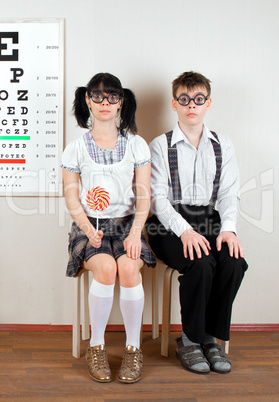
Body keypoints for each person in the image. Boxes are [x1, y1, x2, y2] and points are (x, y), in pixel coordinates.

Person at [146, 71, 248, 375]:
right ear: (175, 104)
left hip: (209, 218)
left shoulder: (222, 144)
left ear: (208, 103)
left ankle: (208, 337)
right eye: (185, 99)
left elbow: (230, 192)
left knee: (233, 262)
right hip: (167, 224)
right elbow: (157, 199)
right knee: (200, 262)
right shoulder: (160, 146)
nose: (192, 105)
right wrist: (185, 231)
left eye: (198, 99)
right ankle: (190, 340)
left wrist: (228, 227)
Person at [61, 72, 156, 383]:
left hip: (129, 225)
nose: (105, 102)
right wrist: (88, 229)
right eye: (98, 96)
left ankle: (132, 348)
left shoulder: (136, 145)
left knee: (129, 270)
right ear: (87, 99)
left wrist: (134, 233)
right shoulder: (75, 148)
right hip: (90, 226)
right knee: (105, 269)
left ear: (121, 101)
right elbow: (72, 197)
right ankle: (97, 346)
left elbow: (144, 195)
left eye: (112, 96)